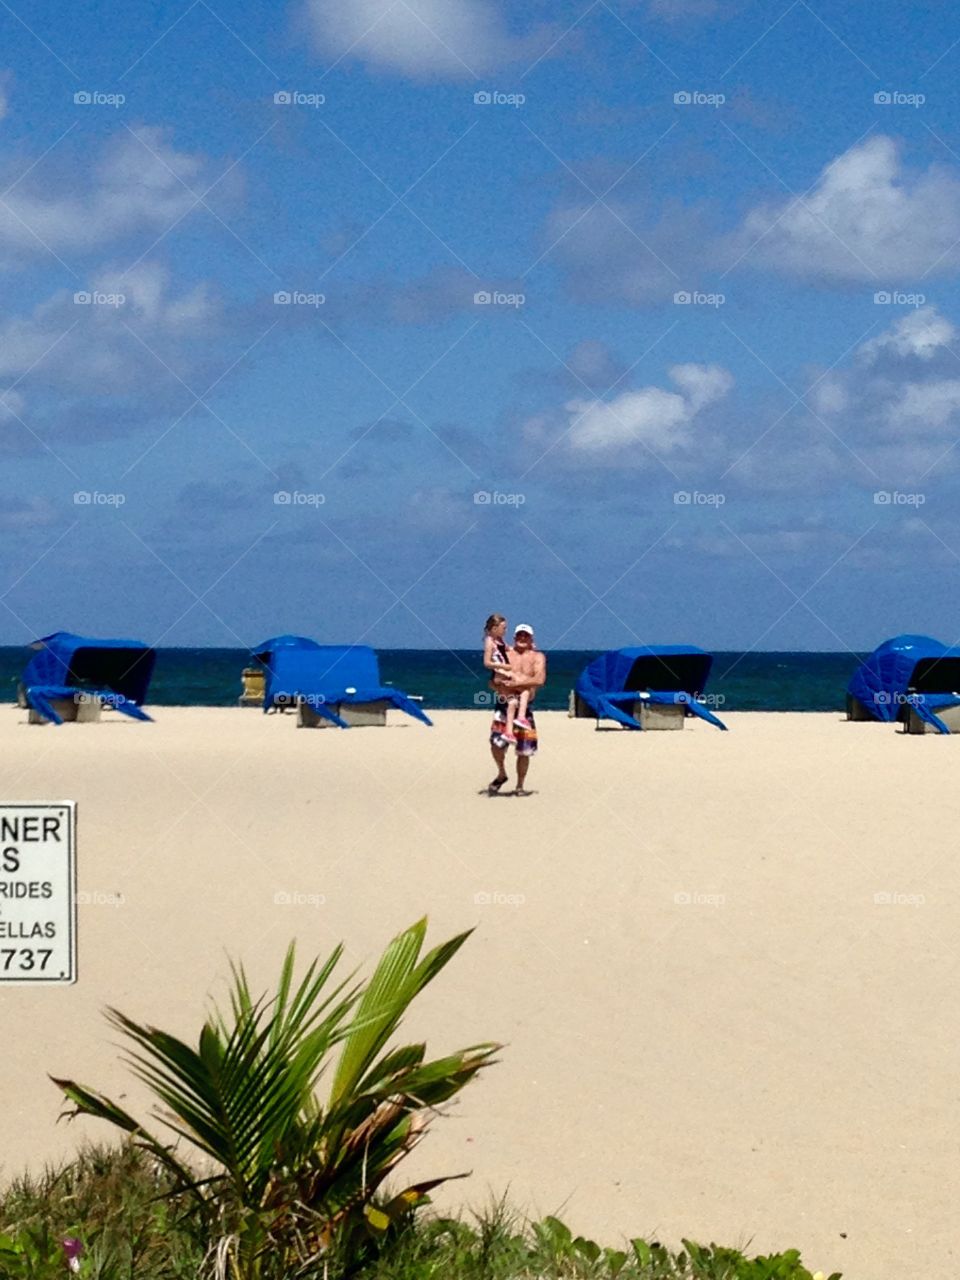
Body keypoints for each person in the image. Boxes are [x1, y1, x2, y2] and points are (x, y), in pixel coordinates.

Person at [488, 623, 546, 796]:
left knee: (524, 749)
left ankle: (520, 785)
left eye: (525, 636)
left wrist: (518, 683)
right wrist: (498, 686)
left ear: (531, 638)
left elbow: (540, 679)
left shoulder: (537, 657)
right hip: (504, 704)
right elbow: (491, 680)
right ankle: (502, 773)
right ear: (514, 637)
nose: (522, 638)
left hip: (525, 707)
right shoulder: (506, 654)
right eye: (519, 635)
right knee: (496, 743)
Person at [481, 613, 530, 743]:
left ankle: (509, 732)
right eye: (503, 628)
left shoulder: (500, 641)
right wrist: (505, 666)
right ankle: (520, 717)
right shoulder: (489, 641)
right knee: (525, 690)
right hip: (500, 674)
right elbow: (487, 662)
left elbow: (508, 650)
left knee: (513, 702)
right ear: (494, 628)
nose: (505, 630)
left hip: (504, 672)